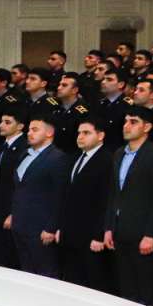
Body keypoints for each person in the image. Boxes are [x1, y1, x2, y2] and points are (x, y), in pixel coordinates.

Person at [9, 110, 69, 278]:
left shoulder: (57, 158)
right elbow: (19, 188)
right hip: (20, 224)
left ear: (49, 133)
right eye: (29, 129)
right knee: (26, 272)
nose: (29, 133)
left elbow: (60, 196)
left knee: (46, 273)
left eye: (35, 129)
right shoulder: (24, 154)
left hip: (41, 228)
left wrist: (51, 227)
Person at [57, 118, 111, 292]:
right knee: (72, 281)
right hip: (70, 233)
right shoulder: (75, 157)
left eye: (86, 133)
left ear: (100, 135)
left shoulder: (107, 160)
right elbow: (67, 197)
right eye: (79, 133)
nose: (80, 136)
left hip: (91, 235)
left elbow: (105, 201)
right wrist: (60, 228)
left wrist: (99, 235)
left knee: (93, 283)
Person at [0, 110, 26, 269]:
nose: (1, 125)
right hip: (0, 207)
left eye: (7, 122)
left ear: (20, 126)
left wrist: (13, 213)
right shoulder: (4, 145)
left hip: (12, 209)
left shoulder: (23, 147)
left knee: (10, 256)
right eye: (1, 121)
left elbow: (19, 185)